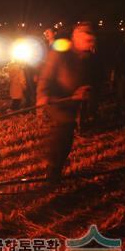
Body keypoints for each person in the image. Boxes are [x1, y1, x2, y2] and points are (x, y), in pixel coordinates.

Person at [36, 22, 103, 184]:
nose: (90, 44)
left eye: (92, 41)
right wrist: (42, 96)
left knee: (65, 142)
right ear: (76, 37)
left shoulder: (91, 59)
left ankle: (54, 169)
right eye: (87, 40)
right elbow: (46, 76)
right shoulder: (61, 53)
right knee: (60, 140)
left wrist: (89, 95)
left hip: (74, 106)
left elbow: (97, 82)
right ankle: (52, 174)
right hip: (57, 103)